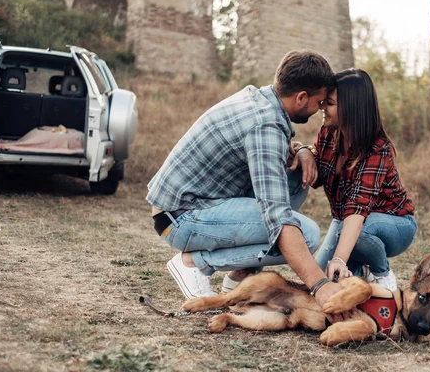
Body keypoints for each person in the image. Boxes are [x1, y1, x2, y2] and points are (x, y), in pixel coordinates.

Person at [146, 50, 345, 310]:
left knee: (295, 178)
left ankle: (239, 275)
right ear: (301, 97)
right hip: (181, 217)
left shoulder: (261, 99)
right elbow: (278, 217)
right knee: (305, 234)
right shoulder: (266, 126)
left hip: (195, 203)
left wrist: (301, 150)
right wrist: (319, 285)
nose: (320, 108)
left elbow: (267, 153)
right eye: (319, 102)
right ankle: (193, 263)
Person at [299, 69, 416, 291]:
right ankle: (360, 270)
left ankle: (383, 274)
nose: (322, 106)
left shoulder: (377, 148)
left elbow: (358, 207)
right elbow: (315, 167)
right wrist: (304, 151)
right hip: (346, 222)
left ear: (351, 108)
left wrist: (340, 259)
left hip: (395, 224)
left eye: (330, 103)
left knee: (353, 238)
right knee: (318, 283)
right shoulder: (328, 133)